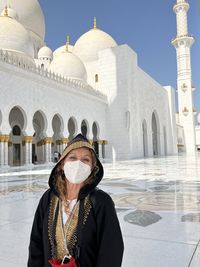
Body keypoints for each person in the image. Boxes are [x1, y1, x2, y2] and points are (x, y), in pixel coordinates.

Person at [28, 133, 124, 267]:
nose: (78, 164)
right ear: (62, 164)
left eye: (85, 160)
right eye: (72, 158)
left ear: (92, 168)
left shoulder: (101, 202)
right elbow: (36, 246)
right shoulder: (48, 199)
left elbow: (111, 252)